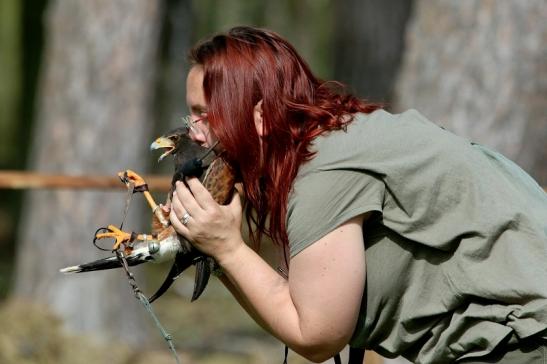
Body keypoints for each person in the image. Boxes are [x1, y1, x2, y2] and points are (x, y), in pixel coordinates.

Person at [166, 26, 547, 363]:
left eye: (205, 115)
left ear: (261, 117)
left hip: (522, 339)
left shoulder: (322, 171)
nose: (195, 133)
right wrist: (214, 248)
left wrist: (226, 250)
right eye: (191, 116)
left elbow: (316, 336)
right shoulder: (335, 140)